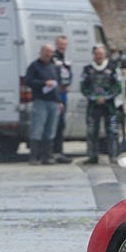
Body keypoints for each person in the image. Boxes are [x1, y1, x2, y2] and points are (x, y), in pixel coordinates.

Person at [80, 43, 122, 164]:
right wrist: (94, 97)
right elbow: (83, 87)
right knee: (92, 131)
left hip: (109, 106)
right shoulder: (87, 69)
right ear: (93, 54)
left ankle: (113, 155)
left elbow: (118, 87)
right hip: (93, 106)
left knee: (113, 131)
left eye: (101, 54)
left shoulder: (113, 68)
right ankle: (92, 156)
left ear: (105, 54)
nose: (99, 56)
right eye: (97, 54)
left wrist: (106, 97)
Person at [25, 43, 63, 165]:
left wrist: (59, 101)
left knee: (50, 130)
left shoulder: (54, 67)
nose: (49, 54)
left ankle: (47, 156)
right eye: (46, 52)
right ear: (41, 52)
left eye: (51, 52)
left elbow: (58, 85)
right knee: (37, 129)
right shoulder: (34, 66)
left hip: (53, 102)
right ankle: (34, 157)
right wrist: (44, 83)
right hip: (40, 101)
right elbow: (29, 81)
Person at [52, 35, 73, 163]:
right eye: (60, 44)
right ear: (56, 44)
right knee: (56, 124)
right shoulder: (53, 59)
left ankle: (59, 151)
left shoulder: (66, 58)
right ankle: (53, 152)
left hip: (64, 94)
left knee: (61, 125)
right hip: (56, 95)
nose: (62, 47)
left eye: (64, 45)